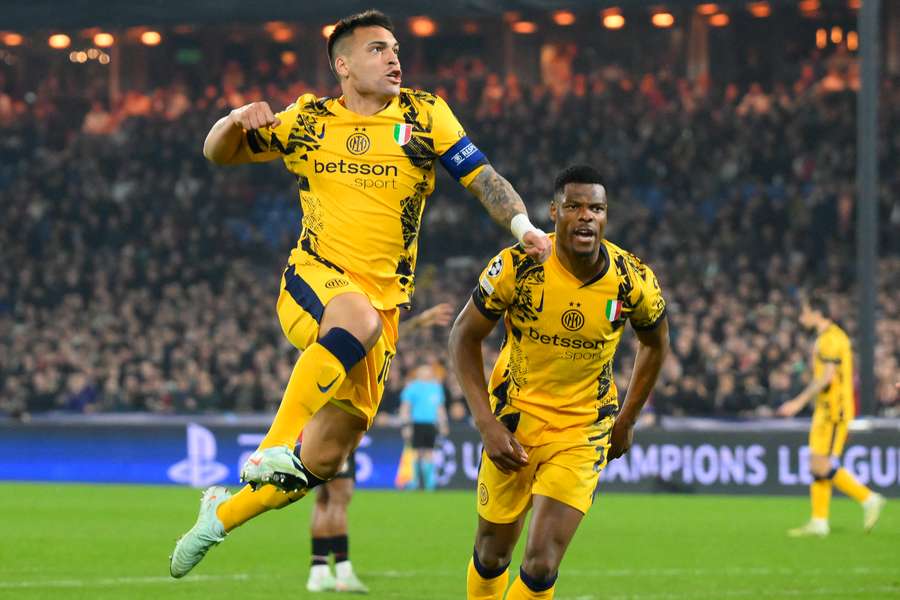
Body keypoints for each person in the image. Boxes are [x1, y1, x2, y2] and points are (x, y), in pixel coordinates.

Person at [169, 9, 551, 578]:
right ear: (343, 65)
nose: (393, 57)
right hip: (315, 280)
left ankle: (220, 514)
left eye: (395, 47)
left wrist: (524, 228)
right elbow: (216, 152)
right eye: (377, 49)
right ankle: (269, 444)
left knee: (318, 464)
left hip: (384, 309)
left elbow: (484, 178)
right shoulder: (308, 118)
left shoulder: (426, 114)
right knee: (356, 321)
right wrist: (233, 119)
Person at [448, 165, 669, 599]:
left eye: (596, 208)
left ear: (606, 216)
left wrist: (626, 419)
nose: (586, 216)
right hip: (515, 422)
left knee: (542, 560)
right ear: (553, 213)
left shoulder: (631, 280)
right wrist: (486, 425)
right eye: (575, 206)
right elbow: (462, 337)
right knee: (492, 552)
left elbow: (656, 343)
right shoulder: (518, 266)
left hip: (583, 429)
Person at [305, 303, 453, 593]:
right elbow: (379, 334)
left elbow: (382, 335)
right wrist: (418, 322)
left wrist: (418, 322)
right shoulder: (342, 346)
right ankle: (344, 571)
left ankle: (319, 569)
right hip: (335, 427)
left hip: (320, 424)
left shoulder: (321, 341)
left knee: (323, 499)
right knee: (339, 497)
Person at [777, 297, 886, 537]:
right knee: (816, 464)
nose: (801, 317)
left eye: (804, 312)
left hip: (835, 411)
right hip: (824, 410)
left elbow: (827, 377)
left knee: (823, 465)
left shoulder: (833, 339)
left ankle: (868, 498)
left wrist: (797, 403)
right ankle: (819, 521)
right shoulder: (825, 338)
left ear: (817, 313)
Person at [399, 363, 449, 491]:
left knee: (429, 452)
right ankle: (413, 482)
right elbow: (405, 408)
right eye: (423, 371)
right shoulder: (412, 387)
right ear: (418, 374)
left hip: (431, 424)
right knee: (415, 452)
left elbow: (440, 408)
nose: (426, 374)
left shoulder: (436, 388)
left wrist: (443, 423)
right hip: (416, 423)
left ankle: (429, 484)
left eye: (427, 372)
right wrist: (406, 425)